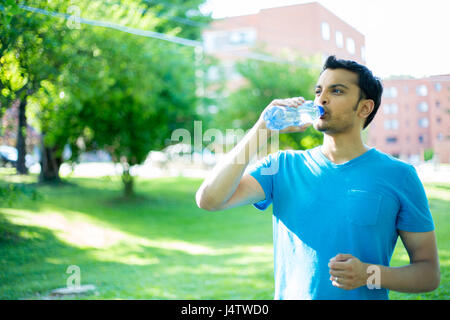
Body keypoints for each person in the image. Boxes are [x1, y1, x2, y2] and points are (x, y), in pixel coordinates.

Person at [195, 56, 440, 300]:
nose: (321, 99)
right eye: (318, 90)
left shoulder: (399, 175)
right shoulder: (281, 166)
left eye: (337, 91)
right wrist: (262, 129)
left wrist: (369, 274)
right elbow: (210, 199)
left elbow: (428, 273)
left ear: (364, 107)